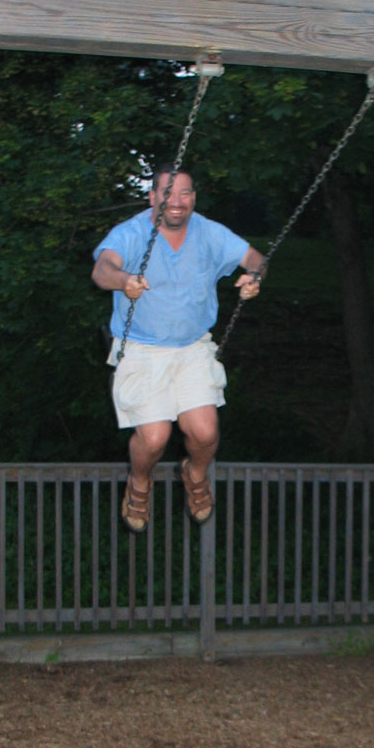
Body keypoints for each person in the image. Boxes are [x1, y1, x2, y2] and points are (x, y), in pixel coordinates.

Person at [92, 163, 266, 533]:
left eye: (185, 193)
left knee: (205, 432)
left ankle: (196, 474)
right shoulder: (131, 232)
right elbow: (102, 269)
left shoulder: (208, 232)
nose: (177, 201)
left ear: (194, 198)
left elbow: (256, 258)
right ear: (153, 197)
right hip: (142, 348)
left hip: (192, 348)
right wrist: (123, 280)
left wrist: (255, 276)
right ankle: (140, 482)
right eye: (168, 193)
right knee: (154, 437)